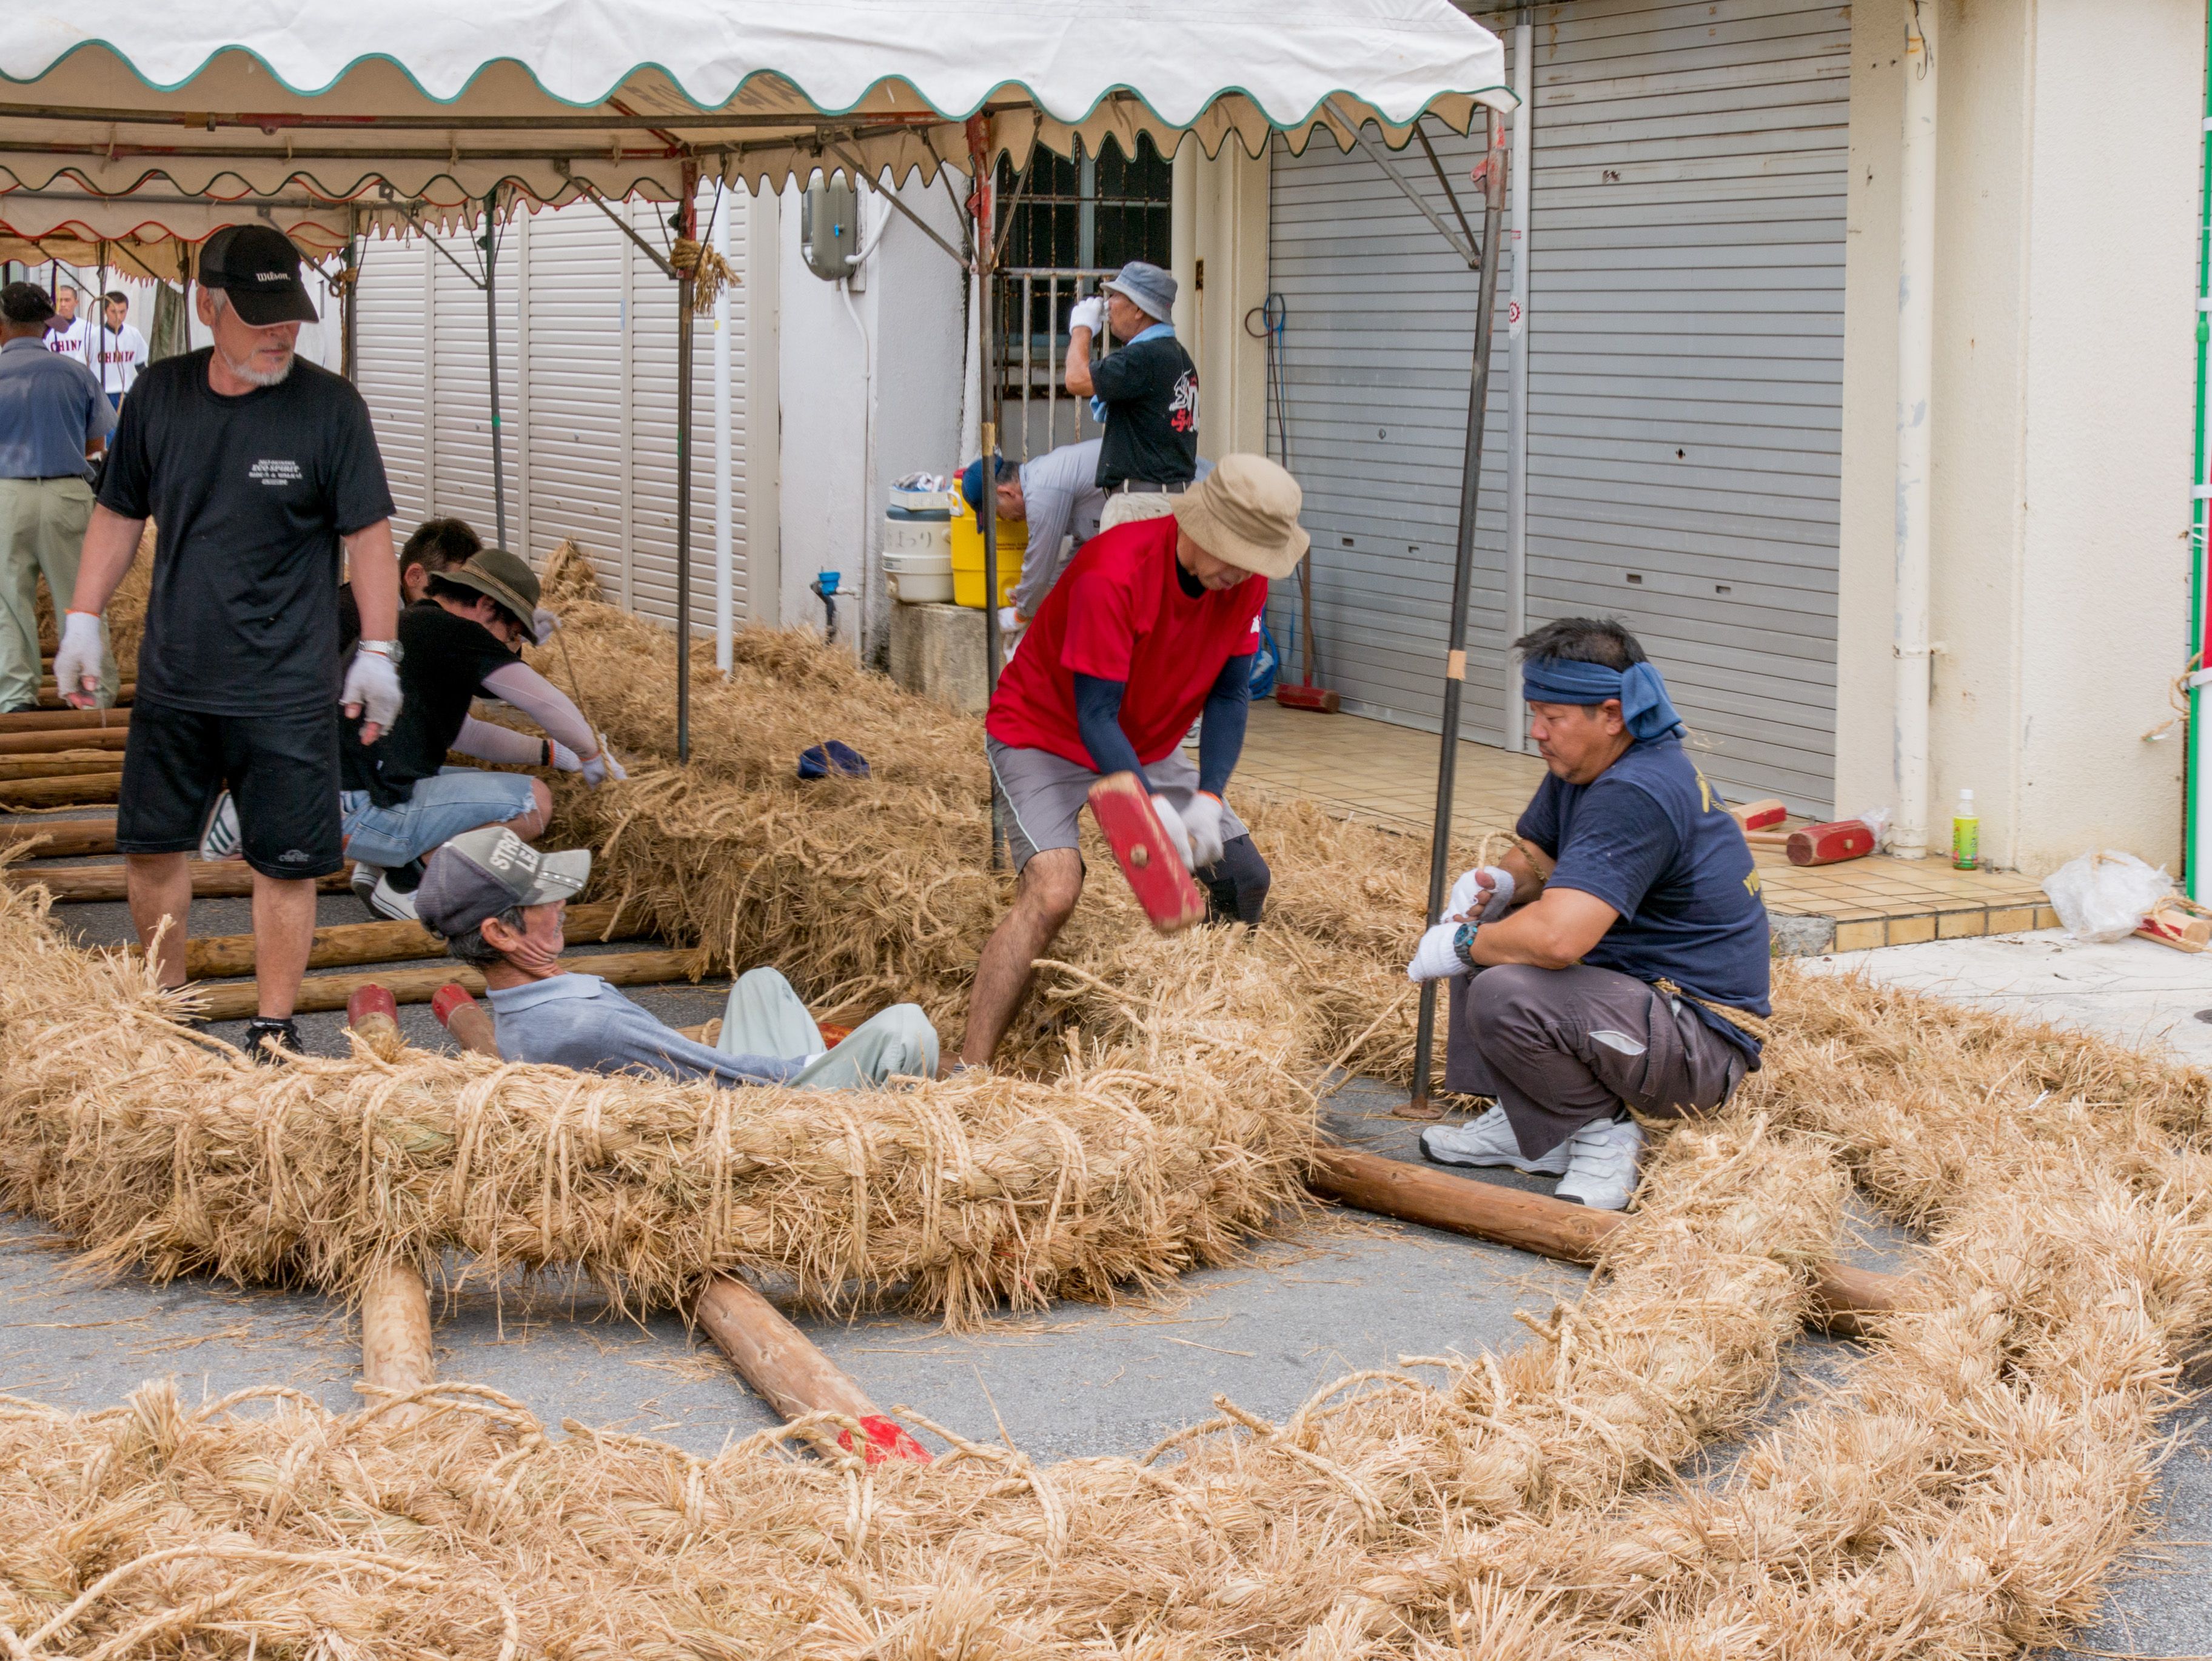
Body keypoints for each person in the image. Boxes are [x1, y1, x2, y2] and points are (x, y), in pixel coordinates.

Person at [55, 223, 401, 1062]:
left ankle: (273, 1025)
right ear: (207, 306)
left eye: (290, 316)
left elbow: (368, 537)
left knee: (285, 863)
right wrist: (83, 616)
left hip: (286, 686)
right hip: (175, 675)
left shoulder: (330, 408)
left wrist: (379, 651)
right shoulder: (160, 395)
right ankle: (167, 1007)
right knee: (152, 848)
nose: (282, 333)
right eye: (259, 317)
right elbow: (118, 512)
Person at [1406, 617, 1772, 1212]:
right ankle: (1534, 1122)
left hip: (1697, 1043)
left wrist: (1463, 943)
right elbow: (1539, 852)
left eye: (1552, 718)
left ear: (1612, 715)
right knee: (1500, 929)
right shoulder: (1586, 766)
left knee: (1504, 982)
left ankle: (1601, 1132)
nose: (1536, 732)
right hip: (1639, 1003)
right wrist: (1501, 883)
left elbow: (1558, 940)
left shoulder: (1638, 790)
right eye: (1535, 713)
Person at [958, 454, 1304, 1067]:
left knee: (1245, 878)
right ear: (1202, 526)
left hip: (1143, 740)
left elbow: (1230, 694)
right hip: (1042, 733)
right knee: (1054, 892)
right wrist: (1150, 810)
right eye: (1237, 553)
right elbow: (1095, 714)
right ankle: (970, 1066)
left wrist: (1209, 797)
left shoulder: (1244, 580)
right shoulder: (1113, 572)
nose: (1245, 572)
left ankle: (1208, 1038)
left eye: (1257, 559)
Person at [415, 827, 939, 1088]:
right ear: (500, 933)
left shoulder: (524, 1004)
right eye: (544, 900)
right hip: (752, 1123)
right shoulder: (582, 1026)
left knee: (760, 984)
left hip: (709, 1090)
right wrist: (812, 1066)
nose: (562, 906)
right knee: (906, 1029)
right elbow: (725, 1079)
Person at [333, 545, 623, 921]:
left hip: (332, 804)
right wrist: (591, 753)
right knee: (534, 802)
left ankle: (378, 868)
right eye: (511, 634)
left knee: (472, 780)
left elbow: (466, 735)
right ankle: (408, 879)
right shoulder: (458, 632)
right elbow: (545, 701)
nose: (507, 648)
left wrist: (552, 753)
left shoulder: (417, 625)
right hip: (363, 812)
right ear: (486, 606)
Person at [0, 282, 119, 714]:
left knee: (8, 602)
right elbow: (95, 444)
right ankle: (91, 694)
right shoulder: (75, 372)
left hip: (6, 495)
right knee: (82, 599)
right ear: (47, 327)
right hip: (67, 492)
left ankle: (16, 698)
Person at [1064, 261, 1198, 531]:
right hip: (1172, 501)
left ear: (1138, 310)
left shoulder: (1142, 357)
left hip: (1140, 506)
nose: (1108, 305)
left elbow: (1076, 379)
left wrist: (1081, 329)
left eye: (1115, 296)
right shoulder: (1177, 354)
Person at [92, 290, 149, 409]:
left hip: (125, 393)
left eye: (122, 312)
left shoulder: (133, 334)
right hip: (102, 394)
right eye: (113, 312)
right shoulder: (95, 335)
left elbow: (140, 365)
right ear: (105, 311)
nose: (118, 317)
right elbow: (83, 365)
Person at [42, 286, 87, 363]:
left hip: (79, 369)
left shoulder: (87, 328)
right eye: (59, 300)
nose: (63, 304)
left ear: (76, 303)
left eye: (67, 300)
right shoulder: (47, 328)